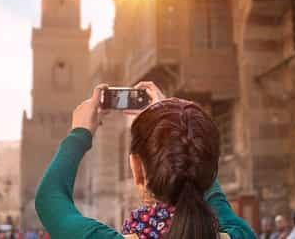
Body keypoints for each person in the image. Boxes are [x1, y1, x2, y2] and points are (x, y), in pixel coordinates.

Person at [34, 82, 256, 238]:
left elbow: (48, 199)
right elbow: (206, 184)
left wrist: (80, 132)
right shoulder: (242, 235)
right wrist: (170, 117)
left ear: (137, 167)